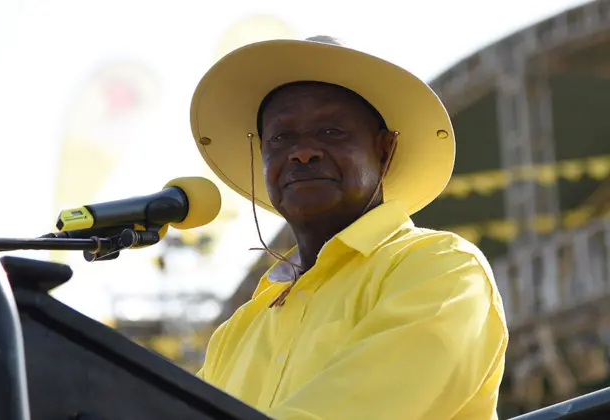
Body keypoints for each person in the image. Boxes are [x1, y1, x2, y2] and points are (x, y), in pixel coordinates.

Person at [189, 35, 508, 420]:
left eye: (331, 132)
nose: (302, 151)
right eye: (280, 137)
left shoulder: (440, 268)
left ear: (384, 150)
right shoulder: (237, 330)